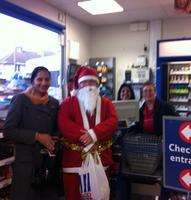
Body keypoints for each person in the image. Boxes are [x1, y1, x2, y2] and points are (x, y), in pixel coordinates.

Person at [58, 66, 118, 200]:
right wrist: (85, 136)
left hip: (100, 159)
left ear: (97, 85)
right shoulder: (68, 103)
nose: (89, 86)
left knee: (101, 194)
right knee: (74, 194)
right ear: (79, 85)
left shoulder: (107, 104)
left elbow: (113, 121)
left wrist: (94, 133)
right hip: (74, 161)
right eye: (85, 82)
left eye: (93, 82)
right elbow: (63, 123)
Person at [3, 67, 60, 200]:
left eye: (47, 79)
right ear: (32, 81)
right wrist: (37, 136)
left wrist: (55, 140)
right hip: (26, 164)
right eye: (39, 79)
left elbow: (56, 129)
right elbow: (8, 131)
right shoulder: (20, 100)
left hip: (47, 164)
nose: (43, 83)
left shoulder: (53, 103)